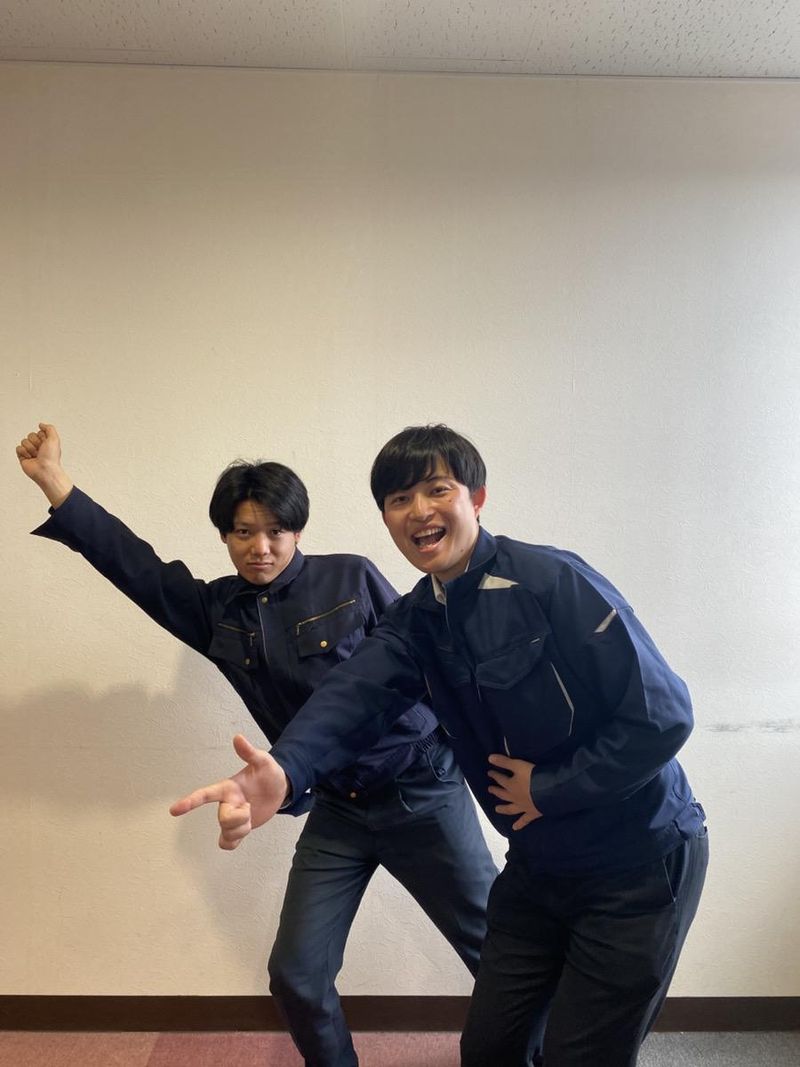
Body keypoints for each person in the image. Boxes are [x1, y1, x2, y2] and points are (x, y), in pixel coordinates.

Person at [171, 423, 709, 1067]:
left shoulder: (551, 580)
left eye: (437, 490)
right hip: (538, 866)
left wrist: (548, 788)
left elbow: (663, 717)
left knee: (579, 1054)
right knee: (490, 1048)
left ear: (476, 497)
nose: (419, 511)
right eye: (399, 500)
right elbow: (353, 693)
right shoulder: (418, 618)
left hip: (637, 862)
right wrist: (284, 770)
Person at [16, 422, 498, 1067]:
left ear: (298, 531)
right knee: (296, 976)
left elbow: (431, 668)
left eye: (275, 531)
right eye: (243, 532)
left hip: (421, 791)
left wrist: (477, 758)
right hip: (338, 810)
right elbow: (134, 566)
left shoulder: (351, 578)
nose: (261, 548)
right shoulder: (218, 611)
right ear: (225, 536)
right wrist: (55, 483)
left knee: (501, 952)